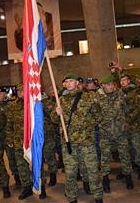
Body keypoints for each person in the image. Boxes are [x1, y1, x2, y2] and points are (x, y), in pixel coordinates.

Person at [52, 74, 103, 203]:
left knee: (92, 171)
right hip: (69, 143)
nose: (68, 84)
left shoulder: (89, 97)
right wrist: (56, 113)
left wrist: (89, 122)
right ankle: (72, 198)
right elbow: (54, 120)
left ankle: (98, 197)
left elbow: (99, 117)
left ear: (77, 83)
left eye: (71, 81)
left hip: (87, 142)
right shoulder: (61, 100)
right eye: (66, 82)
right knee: (70, 174)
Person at [6, 83, 47, 199]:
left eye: (22, 90)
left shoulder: (35, 104)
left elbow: (40, 122)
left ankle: (41, 187)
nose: (20, 93)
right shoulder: (12, 106)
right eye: (18, 91)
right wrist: (9, 138)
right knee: (21, 166)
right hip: (19, 141)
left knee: (37, 164)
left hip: (33, 141)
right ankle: (27, 188)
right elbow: (9, 123)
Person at [96, 75, 134, 193]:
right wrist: (100, 122)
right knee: (105, 158)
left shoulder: (120, 94)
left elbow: (128, 108)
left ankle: (128, 177)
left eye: (112, 84)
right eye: (108, 85)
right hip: (105, 133)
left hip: (120, 131)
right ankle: (105, 180)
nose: (111, 86)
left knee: (125, 155)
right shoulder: (97, 97)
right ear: (102, 85)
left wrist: (126, 121)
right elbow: (94, 113)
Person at [0, 87, 20, 188]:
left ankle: (17, 178)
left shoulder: (11, 105)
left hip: (8, 137)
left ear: (6, 95)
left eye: (1, 94)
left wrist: (12, 136)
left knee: (12, 158)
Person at [120, 74, 140, 180]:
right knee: (127, 148)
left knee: (137, 147)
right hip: (124, 126)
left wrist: (128, 121)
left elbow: (138, 109)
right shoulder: (119, 93)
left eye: (124, 80)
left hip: (135, 125)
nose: (122, 82)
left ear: (129, 81)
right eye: (121, 80)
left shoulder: (134, 92)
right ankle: (130, 168)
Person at [42, 89, 58, 187]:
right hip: (35, 136)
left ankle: (53, 176)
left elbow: (54, 117)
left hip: (48, 135)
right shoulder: (29, 103)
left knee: (49, 156)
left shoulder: (47, 102)